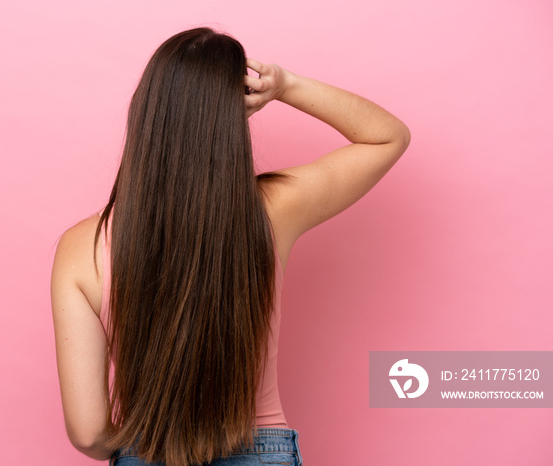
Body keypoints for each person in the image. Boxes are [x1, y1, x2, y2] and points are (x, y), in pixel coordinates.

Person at [50, 27, 410, 466]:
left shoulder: (78, 248)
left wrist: (140, 449)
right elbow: (387, 136)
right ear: (231, 122)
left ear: (144, 114)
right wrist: (285, 85)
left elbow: (88, 434)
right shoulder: (274, 209)